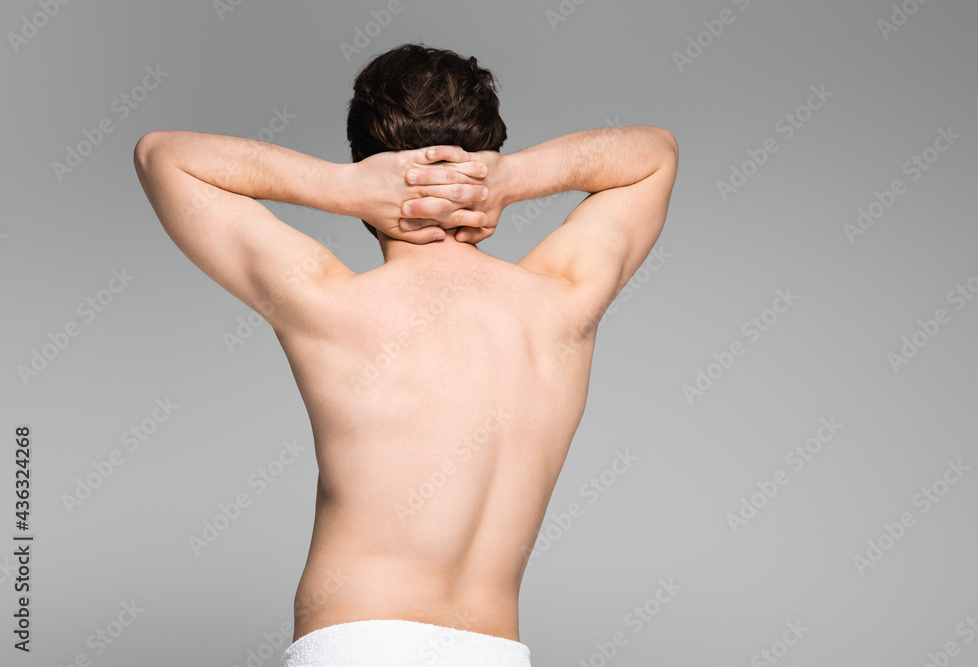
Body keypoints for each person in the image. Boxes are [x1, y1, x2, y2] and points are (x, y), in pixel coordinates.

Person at [133, 43, 677, 667]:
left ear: (367, 163)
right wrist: (507, 178)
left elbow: (161, 156)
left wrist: (340, 187)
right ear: (490, 146)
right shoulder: (563, 301)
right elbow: (655, 153)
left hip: (357, 647)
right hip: (495, 652)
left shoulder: (327, 303)